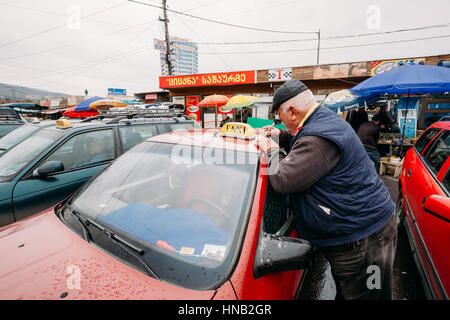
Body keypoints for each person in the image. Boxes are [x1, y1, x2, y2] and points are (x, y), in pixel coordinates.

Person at [258, 79, 397, 300]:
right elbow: (301, 141)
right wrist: (281, 136)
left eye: (280, 118)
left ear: (293, 111)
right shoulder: (320, 122)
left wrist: (271, 150)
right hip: (360, 234)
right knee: (354, 292)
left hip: (366, 241)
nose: (281, 123)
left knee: (369, 295)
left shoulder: (318, 138)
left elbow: (282, 180)